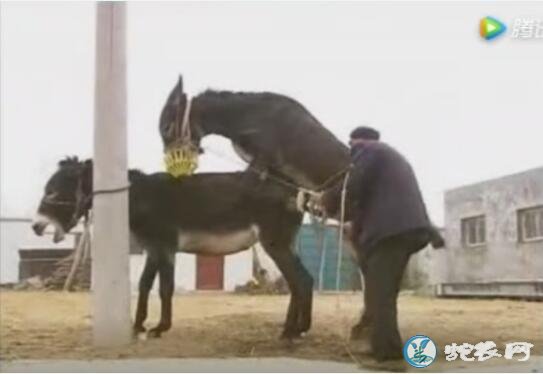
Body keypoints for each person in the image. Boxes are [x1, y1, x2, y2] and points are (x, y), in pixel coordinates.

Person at [321, 126, 444, 361]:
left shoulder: (370, 151)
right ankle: (380, 344)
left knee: (380, 296)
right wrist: (353, 226)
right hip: (402, 232)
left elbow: (352, 185)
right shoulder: (387, 159)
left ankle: (389, 356)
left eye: (351, 145)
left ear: (356, 141)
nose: (351, 151)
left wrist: (327, 198)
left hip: (391, 234)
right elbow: (367, 200)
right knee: (382, 294)